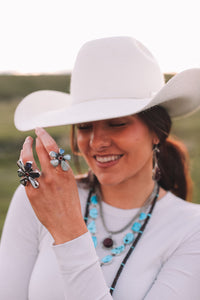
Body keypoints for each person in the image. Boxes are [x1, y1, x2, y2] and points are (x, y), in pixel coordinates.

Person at [0, 36, 200, 300]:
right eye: (84, 126)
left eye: (117, 123)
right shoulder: (35, 201)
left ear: (157, 132)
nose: (96, 143)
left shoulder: (191, 229)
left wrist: (69, 230)